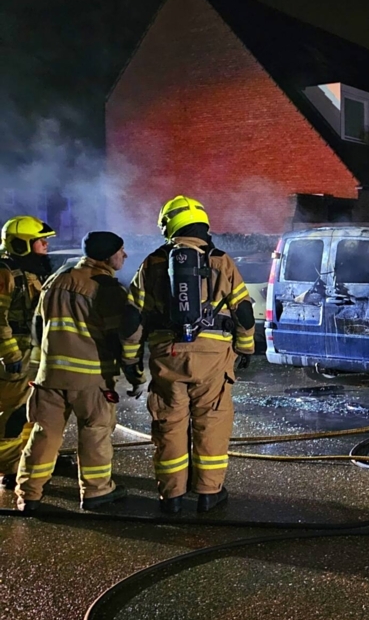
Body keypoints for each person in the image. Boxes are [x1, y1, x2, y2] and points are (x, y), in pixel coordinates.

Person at [121, 196, 255, 514]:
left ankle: (172, 497)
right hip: (213, 357)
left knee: (169, 424)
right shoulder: (221, 260)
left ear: (169, 225)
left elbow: (132, 317)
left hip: (168, 355)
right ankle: (209, 493)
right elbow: (243, 311)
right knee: (212, 422)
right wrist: (245, 348)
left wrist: (130, 359)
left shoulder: (153, 263)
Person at [15, 232, 129, 512]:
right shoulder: (107, 287)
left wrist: (43, 364)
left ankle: (29, 493)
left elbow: (38, 325)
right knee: (95, 432)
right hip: (91, 378)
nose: (124, 256)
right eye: (121, 251)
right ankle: (96, 491)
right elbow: (121, 336)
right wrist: (130, 369)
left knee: (43, 434)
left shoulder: (56, 280)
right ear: (107, 256)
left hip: (50, 375)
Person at [0, 216, 55, 489]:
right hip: (15, 355)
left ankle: (27, 458)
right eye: (39, 241)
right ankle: (8, 468)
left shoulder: (33, 270)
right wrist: (10, 355)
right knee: (12, 413)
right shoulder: (5, 273)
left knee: (31, 409)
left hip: (34, 352)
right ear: (21, 245)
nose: (45, 245)